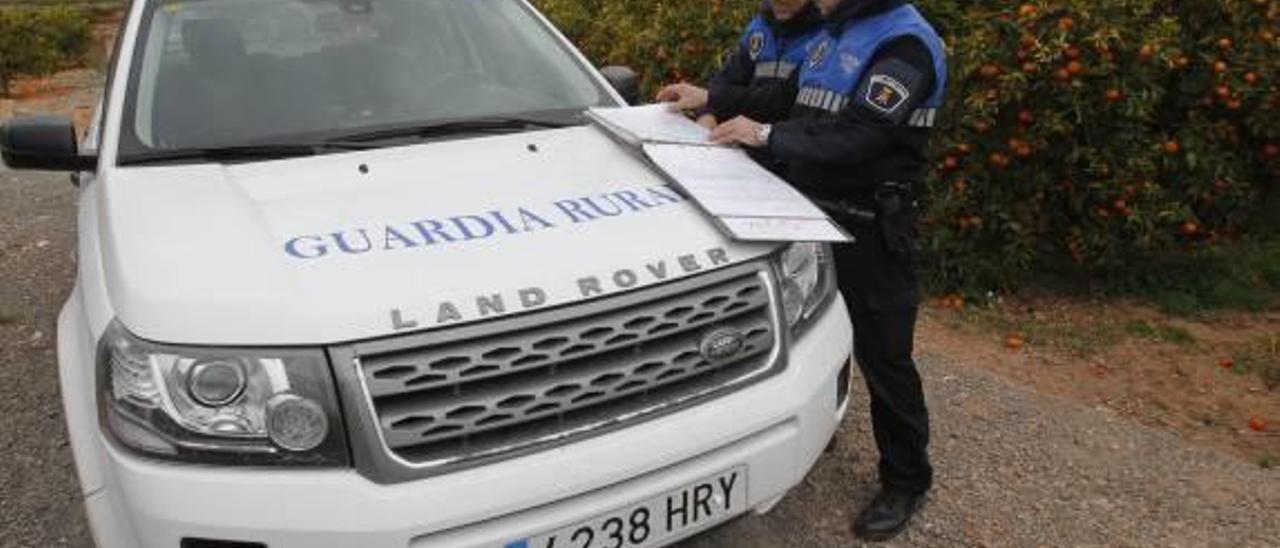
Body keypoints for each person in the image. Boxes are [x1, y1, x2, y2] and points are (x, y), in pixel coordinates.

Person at [657, 0, 947, 541]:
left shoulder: (902, 44)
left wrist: (765, 136)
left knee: (885, 357)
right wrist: (713, 98)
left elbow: (861, 135)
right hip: (811, 214)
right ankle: (820, 426)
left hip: (869, 230)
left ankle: (907, 478)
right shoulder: (834, 33)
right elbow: (784, 99)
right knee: (811, 336)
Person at [694, 0, 823, 175]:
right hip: (742, 155)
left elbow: (781, 101)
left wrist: (712, 97)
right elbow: (724, 81)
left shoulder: (827, 35)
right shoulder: (760, 26)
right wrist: (707, 113)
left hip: (792, 161)